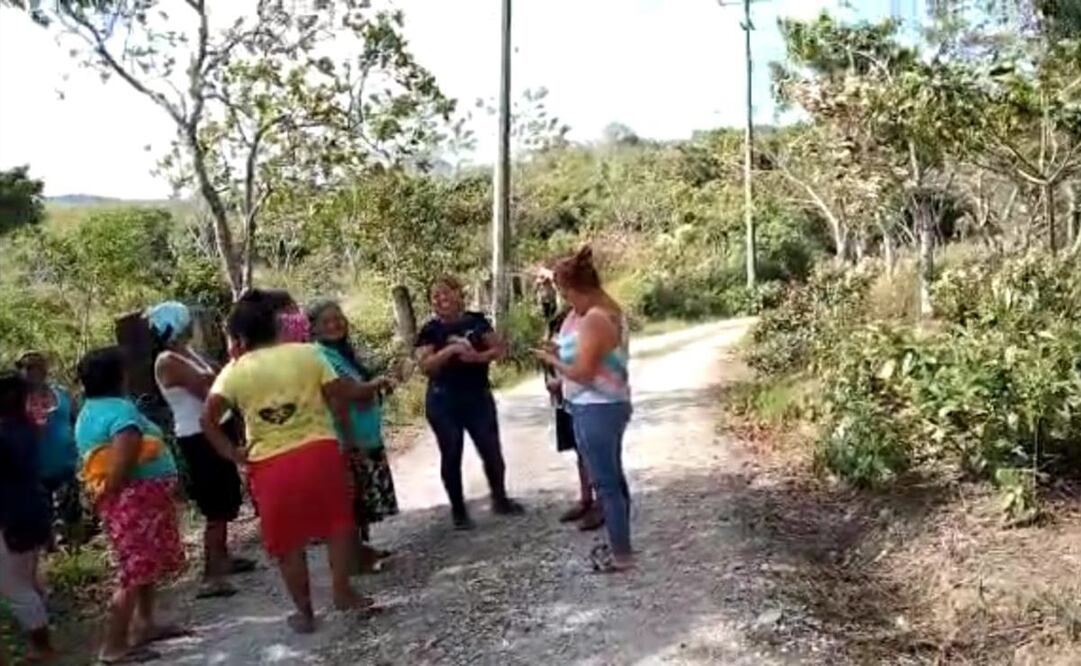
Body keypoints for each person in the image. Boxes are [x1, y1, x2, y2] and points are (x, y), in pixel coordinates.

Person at [201, 291, 373, 635]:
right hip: (320, 451)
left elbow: (208, 419)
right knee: (338, 524)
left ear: (239, 338)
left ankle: (305, 612)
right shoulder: (309, 354)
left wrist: (232, 452)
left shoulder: (233, 372)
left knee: (288, 543)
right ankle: (342, 591)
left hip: (270, 465)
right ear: (276, 326)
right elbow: (338, 394)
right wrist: (352, 439)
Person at [74, 347, 189, 663]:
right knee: (133, 568)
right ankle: (113, 646)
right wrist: (109, 494)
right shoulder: (120, 413)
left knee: (143, 564)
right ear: (120, 375)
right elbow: (123, 462)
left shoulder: (91, 409)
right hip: (133, 499)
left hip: (132, 499)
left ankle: (145, 624)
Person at [534, 247, 634, 573]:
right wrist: (560, 351)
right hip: (602, 405)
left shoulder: (595, 319)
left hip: (598, 407)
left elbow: (583, 373)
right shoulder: (605, 310)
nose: (566, 302)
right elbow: (590, 358)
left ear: (576, 289)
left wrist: (551, 360)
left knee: (606, 484)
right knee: (613, 480)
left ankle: (621, 554)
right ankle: (621, 545)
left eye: (566, 294)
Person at [148, 301, 255, 600]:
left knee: (226, 496)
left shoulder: (187, 352)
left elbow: (217, 379)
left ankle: (223, 559)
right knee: (215, 504)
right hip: (197, 436)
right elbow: (209, 390)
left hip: (212, 429)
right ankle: (211, 575)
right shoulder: (167, 361)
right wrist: (219, 380)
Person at [415, 275, 525, 530]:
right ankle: (459, 511)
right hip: (443, 399)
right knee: (451, 452)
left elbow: (499, 350)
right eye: (435, 295)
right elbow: (426, 366)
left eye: (445, 292)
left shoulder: (476, 321)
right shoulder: (429, 330)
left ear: (458, 294)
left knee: (491, 450)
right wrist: (451, 351)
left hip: (477, 395)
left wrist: (478, 357)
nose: (441, 299)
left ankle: (500, 498)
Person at [307, 299, 399, 573]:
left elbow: (359, 388)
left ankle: (360, 550)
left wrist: (373, 387)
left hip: (363, 434)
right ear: (313, 328)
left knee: (360, 499)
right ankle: (353, 558)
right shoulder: (320, 355)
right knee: (352, 499)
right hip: (346, 437)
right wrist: (377, 383)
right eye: (327, 321)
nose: (335, 324)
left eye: (339, 318)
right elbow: (347, 392)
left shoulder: (341, 352)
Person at [0, 371, 54, 661]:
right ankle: (42, 643)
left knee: (15, 587)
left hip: (12, 519)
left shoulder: (6, 435)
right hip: (31, 512)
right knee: (28, 581)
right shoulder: (23, 429)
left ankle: (41, 647)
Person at [543, 306, 603, 532]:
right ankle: (586, 498)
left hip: (587, 395)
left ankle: (602, 503)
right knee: (579, 450)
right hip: (567, 397)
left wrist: (563, 381)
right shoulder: (560, 318)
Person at [16, 352, 82, 548]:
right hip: (35, 469)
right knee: (43, 519)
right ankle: (51, 554)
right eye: (28, 368)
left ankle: (75, 552)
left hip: (66, 464)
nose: (34, 372)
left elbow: (76, 420)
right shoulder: (16, 402)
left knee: (71, 511)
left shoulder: (61, 393)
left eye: (37, 367)